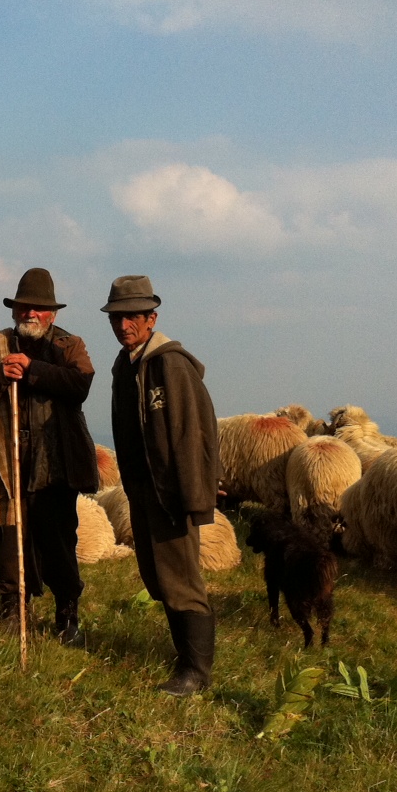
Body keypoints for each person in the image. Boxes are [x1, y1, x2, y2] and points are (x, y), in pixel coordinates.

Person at [0, 268, 99, 646]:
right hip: (5, 457)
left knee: (57, 536)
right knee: (7, 533)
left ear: (52, 314)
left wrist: (33, 369)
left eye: (39, 309)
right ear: (14, 310)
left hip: (55, 458)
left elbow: (80, 385)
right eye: (25, 307)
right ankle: (12, 605)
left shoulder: (69, 346)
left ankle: (66, 608)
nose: (31, 314)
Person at [103, 275, 220, 695]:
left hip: (171, 493)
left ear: (151, 318)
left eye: (132, 316)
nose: (123, 325)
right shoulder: (126, 364)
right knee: (158, 577)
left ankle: (196, 673)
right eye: (117, 317)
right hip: (142, 490)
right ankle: (184, 659)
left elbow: (194, 432)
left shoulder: (170, 364)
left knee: (181, 579)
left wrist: (193, 496)